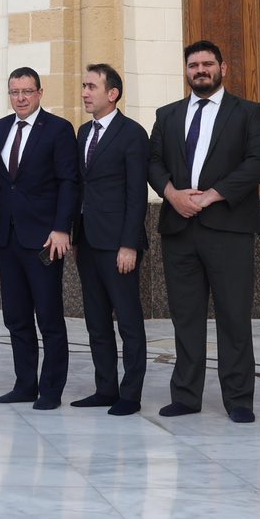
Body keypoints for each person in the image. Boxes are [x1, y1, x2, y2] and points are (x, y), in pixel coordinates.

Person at [147, 39, 260, 422]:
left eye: (207, 64)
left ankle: (238, 399)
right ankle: (186, 395)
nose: (200, 70)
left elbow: (258, 162)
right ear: (185, 71)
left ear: (223, 67)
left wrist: (211, 196)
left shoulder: (249, 113)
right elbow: (152, 162)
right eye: (193, 65)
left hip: (229, 229)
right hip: (179, 229)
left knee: (234, 315)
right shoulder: (167, 115)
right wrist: (172, 195)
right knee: (185, 317)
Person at [0, 65, 77, 410]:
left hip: (44, 239)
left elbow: (68, 182)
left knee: (49, 317)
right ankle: (25, 383)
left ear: (40, 93)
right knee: (16, 316)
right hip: (9, 239)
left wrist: (61, 228)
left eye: (27, 91)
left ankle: (51, 389)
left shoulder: (57, 129)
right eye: (15, 92)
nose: (21, 98)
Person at [72, 63, 150, 416]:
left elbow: (137, 194)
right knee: (96, 320)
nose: (85, 92)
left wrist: (129, 244)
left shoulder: (132, 134)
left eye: (91, 86)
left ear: (112, 93)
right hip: (87, 242)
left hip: (119, 245)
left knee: (129, 321)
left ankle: (130, 394)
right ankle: (105, 387)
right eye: (84, 86)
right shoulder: (83, 132)